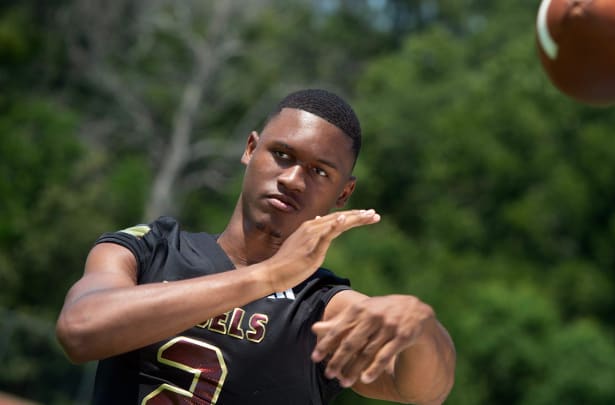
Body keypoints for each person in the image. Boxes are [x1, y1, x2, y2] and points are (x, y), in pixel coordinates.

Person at [56, 89, 456, 404]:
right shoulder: (151, 248)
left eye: (319, 171)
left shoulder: (322, 307)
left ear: (343, 193)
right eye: (282, 155)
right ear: (250, 149)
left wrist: (421, 325)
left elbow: (425, 392)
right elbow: (80, 330)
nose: (294, 180)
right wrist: (267, 276)